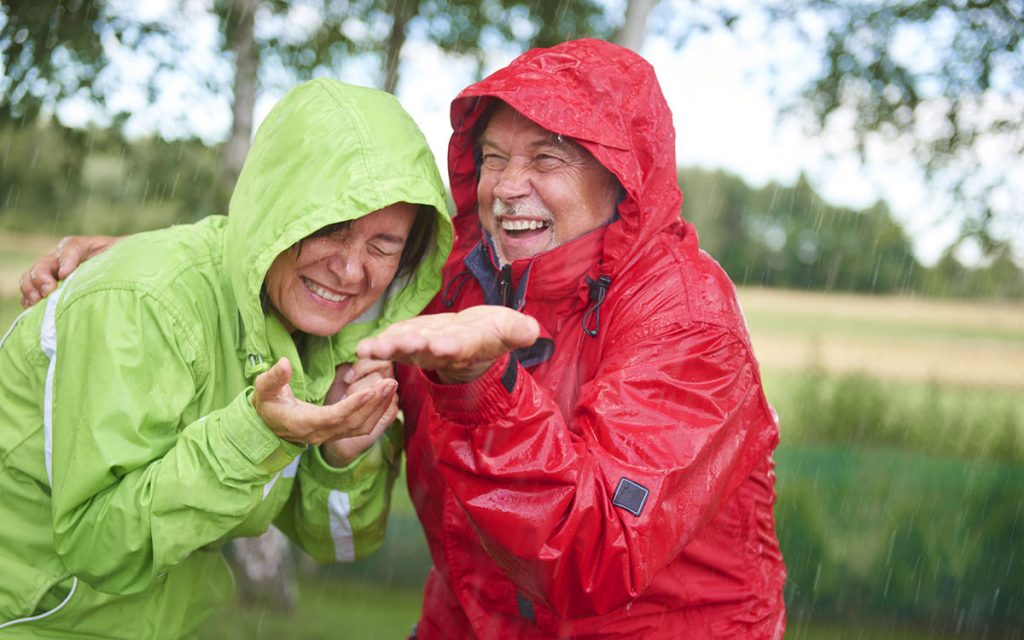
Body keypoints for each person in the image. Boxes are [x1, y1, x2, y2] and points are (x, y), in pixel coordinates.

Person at [21, 39, 786, 639]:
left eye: (547, 158)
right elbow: (305, 240)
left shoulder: (684, 318)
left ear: (623, 177)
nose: (506, 185)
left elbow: (593, 552)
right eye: (492, 157)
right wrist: (158, 265)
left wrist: (481, 383)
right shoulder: (453, 272)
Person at [0, 78, 453, 638]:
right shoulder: (144, 303)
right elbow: (101, 546)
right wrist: (256, 436)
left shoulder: (322, 339)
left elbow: (337, 542)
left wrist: (343, 453)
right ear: (275, 213)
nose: (352, 269)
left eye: (383, 246)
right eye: (329, 230)